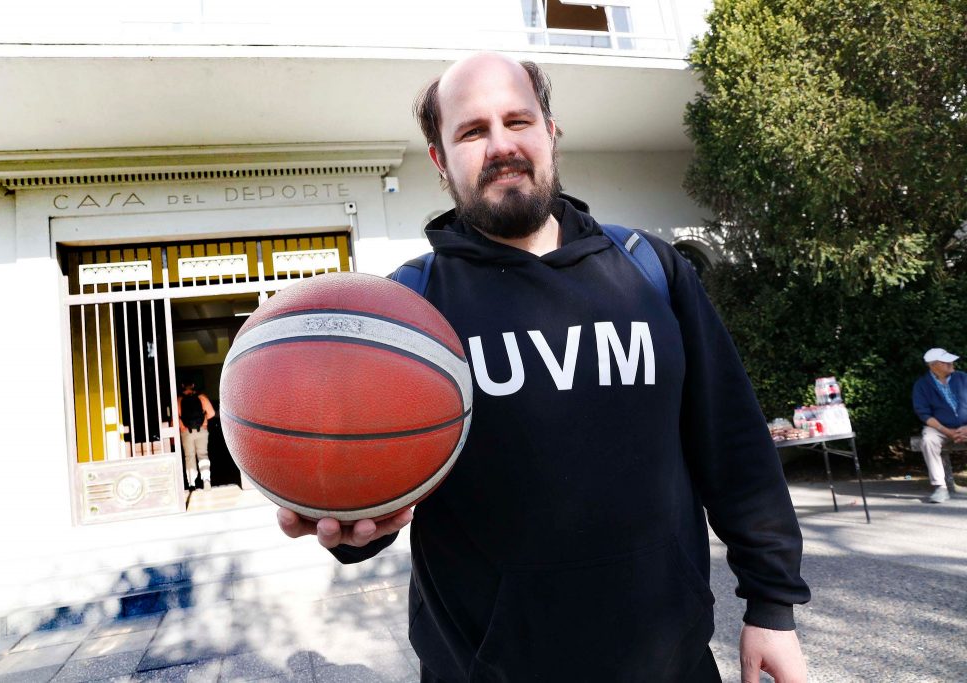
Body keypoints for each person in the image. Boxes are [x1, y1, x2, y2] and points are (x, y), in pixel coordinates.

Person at [277, 52, 811, 682]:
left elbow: (735, 447)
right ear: (440, 160)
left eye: (518, 121)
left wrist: (772, 604)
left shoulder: (651, 270)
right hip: (486, 670)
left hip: (670, 664)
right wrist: (356, 524)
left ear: (550, 133)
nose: (501, 145)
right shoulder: (410, 314)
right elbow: (378, 477)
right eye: (472, 131)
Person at [912, 348, 967, 503]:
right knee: (928, 440)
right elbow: (924, 414)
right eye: (946, 362)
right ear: (934, 365)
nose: (952, 363)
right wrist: (947, 431)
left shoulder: (963, 378)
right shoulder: (921, 385)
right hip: (940, 428)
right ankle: (940, 487)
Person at [177, 380, 216, 491]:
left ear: (182, 386)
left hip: (186, 432)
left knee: (189, 457)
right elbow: (212, 413)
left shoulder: (179, 400)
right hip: (202, 431)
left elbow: (176, 419)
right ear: (193, 385)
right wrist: (203, 421)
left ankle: (191, 483)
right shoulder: (201, 397)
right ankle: (206, 480)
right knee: (203, 455)